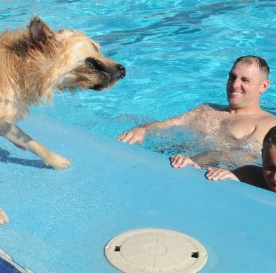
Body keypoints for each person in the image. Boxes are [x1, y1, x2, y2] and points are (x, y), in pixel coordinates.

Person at [118, 55, 276, 149]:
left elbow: (243, 159)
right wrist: (142, 129)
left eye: (245, 80)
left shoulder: (267, 124)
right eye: (232, 77)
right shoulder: (206, 110)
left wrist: (196, 162)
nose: (235, 85)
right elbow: (166, 125)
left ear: (263, 86)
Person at [170, 125, 276, 193]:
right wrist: (193, 168)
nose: (274, 177)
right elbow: (211, 181)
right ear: (262, 156)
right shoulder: (249, 174)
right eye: (270, 167)